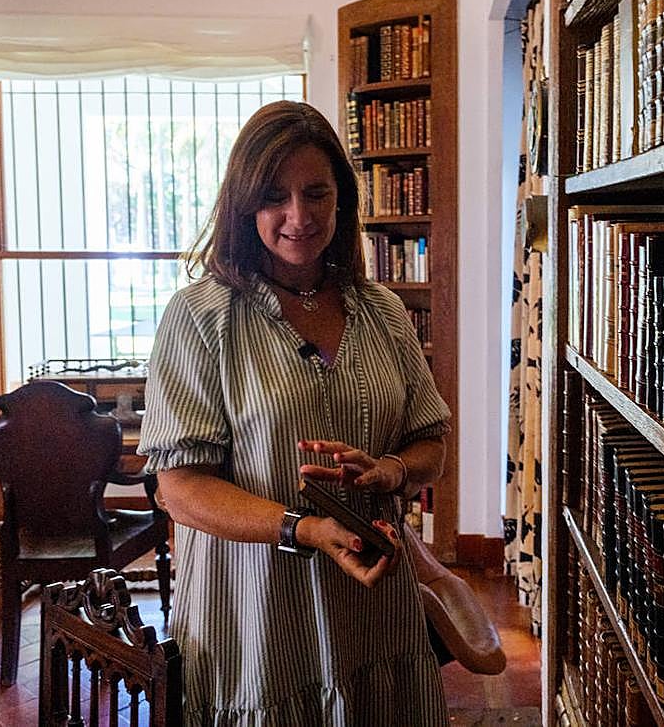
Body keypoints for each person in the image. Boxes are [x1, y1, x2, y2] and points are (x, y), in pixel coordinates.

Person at [137, 100, 451, 725]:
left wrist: (389, 471)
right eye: (274, 197)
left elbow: (431, 447)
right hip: (254, 613)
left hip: (376, 605)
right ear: (243, 205)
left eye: (316, 193)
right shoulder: (201, 317)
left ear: (342, 200)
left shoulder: (384, 311)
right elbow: (180, 490)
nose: (299, 217)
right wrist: (302, 529)